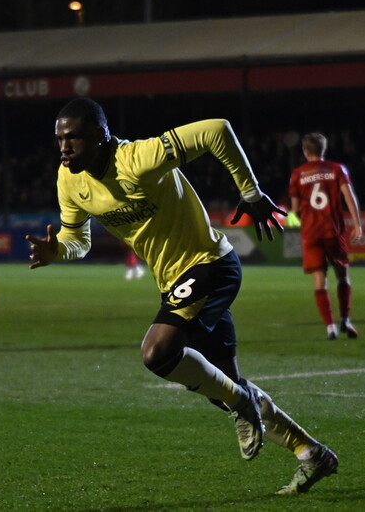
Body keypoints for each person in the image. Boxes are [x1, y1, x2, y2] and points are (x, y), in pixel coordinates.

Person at [27, 98, 338, 495]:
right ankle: (311, 453)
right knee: (224, 387)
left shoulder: (138, 158)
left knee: (156, 353)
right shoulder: (69, 179)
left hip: (211, 265)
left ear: (102, 136)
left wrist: (252, 192)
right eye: (59, 139)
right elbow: (77, 239)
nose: (64, 147)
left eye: (74, 138)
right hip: (175, 282)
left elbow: (217, 130)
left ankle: (243, 404)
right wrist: (59, 251)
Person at [288, 132, 364, 340]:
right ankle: (345, 319)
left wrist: (302, 218)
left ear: (305, 151)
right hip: (334, 231)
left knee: (319, 282)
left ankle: (330, 327)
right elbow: (349, 197)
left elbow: (295, 210)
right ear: (323, 149)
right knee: (343, 277)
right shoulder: (337, 169)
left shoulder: (297, 174)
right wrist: (357, 224)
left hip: (311, 234)